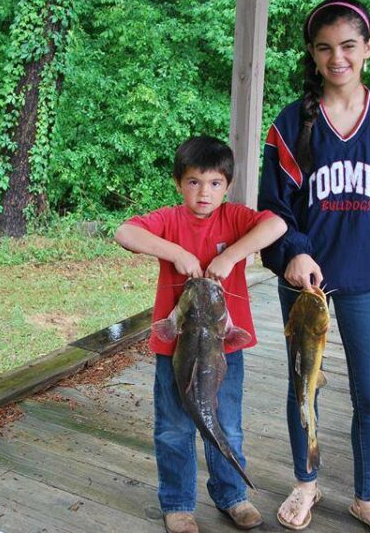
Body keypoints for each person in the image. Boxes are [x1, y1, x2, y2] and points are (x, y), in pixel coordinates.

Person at [258, 0, 370, 533]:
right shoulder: (292, 123)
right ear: (312, 52)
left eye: (349, 46)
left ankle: (367, 499)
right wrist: (295, 250)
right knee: (302, 386)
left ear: (368, 49)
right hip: (306, 285)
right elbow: (274, 207)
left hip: (367, 284)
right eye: (325, 48)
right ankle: (306, 482)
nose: (338, 58)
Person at [115, 135, 288, 533]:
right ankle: (177, 503)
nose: (204, 192)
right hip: (174, 348)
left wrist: (231, 255)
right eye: (193, 182)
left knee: (226, 423)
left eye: (214, 183)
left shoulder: (236, 219)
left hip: (224, 349)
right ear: (179, 183)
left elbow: (277, 224)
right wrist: (174, 252)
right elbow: (124, 232)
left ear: (227, 187)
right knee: (174, 426)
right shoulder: (170, 221)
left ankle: (232, 495)